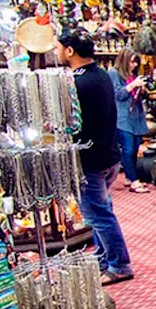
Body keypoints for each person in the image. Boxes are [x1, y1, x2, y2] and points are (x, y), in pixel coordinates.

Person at [55, 29, 135, 284]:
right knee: (102, 211)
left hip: (90, 158)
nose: (56, 53)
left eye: (58, 48)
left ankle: (119, 264)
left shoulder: (77, 83)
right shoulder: (100, 75)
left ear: (70, 51)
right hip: (107, 154)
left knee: (99, 215)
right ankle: (105, 259)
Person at [109, 48, 151, 193]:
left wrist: (144, 90)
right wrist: (132, 85)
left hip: (136, 116)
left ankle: (129, 176)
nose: (133, 65)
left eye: (135, 62)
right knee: (127, 148)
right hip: (122, 116)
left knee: (135, 147)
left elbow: (139, 97)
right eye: (131, 61)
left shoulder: (134, 75)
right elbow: (117, 94)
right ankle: (134, 180)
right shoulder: (114, 73)